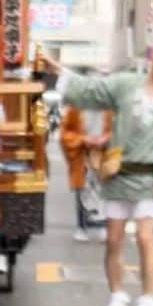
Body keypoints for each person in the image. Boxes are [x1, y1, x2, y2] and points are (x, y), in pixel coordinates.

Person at [47, 33, 153, 306]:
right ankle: (117, 296)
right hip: (118, 173)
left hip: (150, 178)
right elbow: (92, 90)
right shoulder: (126, 83)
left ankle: (149, 301)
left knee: (145, 237)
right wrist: (59, 72)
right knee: (113, 239)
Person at [59, 104, 112, 242]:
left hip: (104, 154)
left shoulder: (111, 107)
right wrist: (82, 139)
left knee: (104, 191)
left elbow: (120, 130)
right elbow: (65, 133)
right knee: (82, 191)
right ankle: (82, 227)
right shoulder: (75, 108)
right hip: (82, 154)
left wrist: (106, 139)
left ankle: (104, 226)